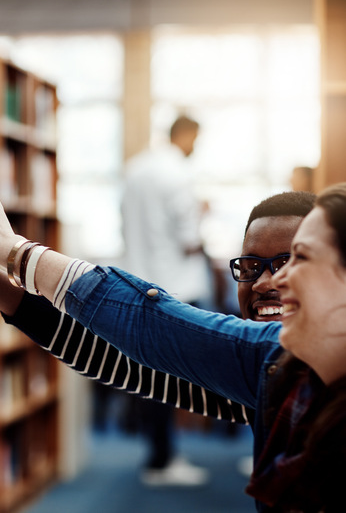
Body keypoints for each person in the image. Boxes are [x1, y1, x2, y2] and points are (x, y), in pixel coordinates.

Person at [0, 147, 346, 511]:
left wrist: (11, 248)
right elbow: (125, 363)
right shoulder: (279, 369)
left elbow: (147, 325)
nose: (267, 282)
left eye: (296, 260)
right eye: (250, 266)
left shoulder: (274, 355)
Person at [119, 114, 211, 485]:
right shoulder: (179, 175)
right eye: (196, 140)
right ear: (186, 135)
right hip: (177, 288)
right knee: (173, 377)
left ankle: (158, 454)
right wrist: (204, 215)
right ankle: (163, 460)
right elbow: (189, 241)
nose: (195, 148)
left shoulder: (136, 169)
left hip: (140, 283)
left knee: (150, 375)